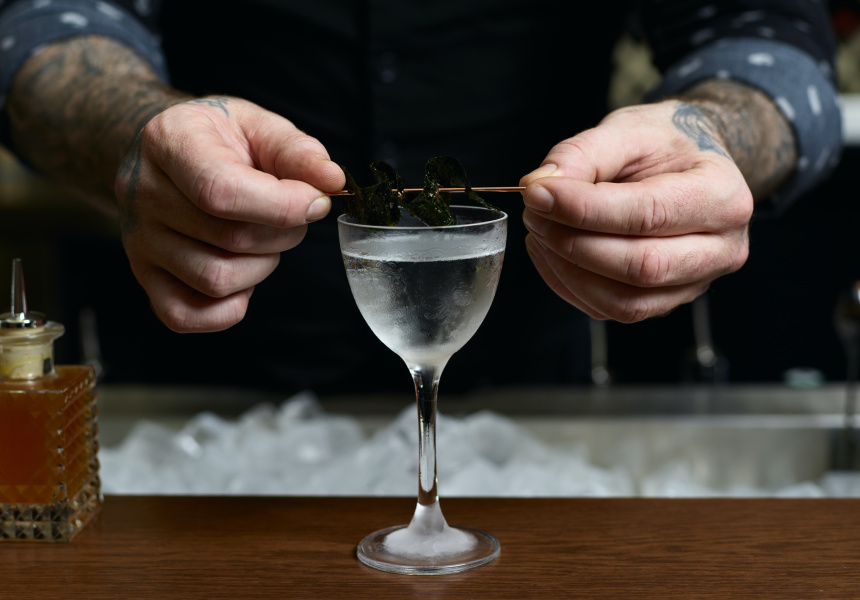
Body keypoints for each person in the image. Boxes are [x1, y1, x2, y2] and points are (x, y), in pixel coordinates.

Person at [0, 0, 843, 394]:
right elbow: (36, 25)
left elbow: (770, 37)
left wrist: (717, 131)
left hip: (532, 377)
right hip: (200, 372)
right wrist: (134, 130)